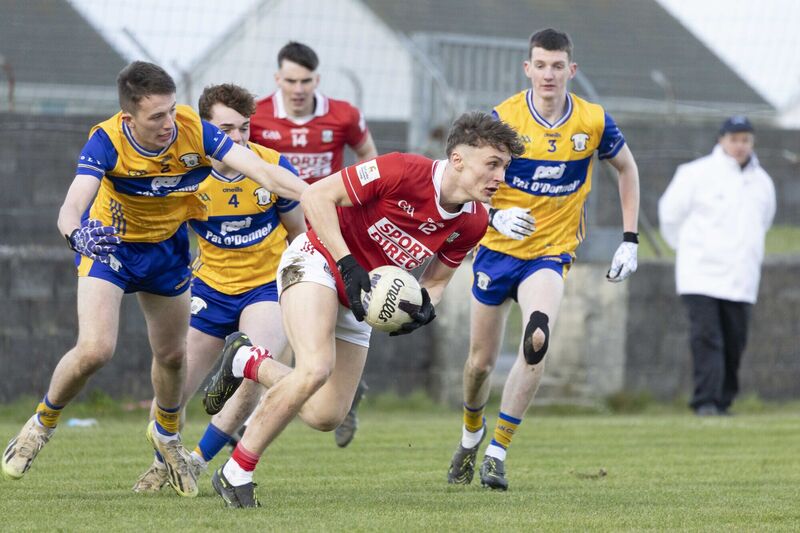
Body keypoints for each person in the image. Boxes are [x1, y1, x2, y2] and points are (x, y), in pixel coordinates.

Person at [0, 62, 306, 497]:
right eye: (156, 116)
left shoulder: (192, 130)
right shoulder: (106, 140)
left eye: (172, 110)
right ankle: (40, 425)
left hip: (165, 253)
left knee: (173, 358)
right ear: (130, 118)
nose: (169, 123)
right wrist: (77, 233)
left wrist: (318, 192)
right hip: (109, 247)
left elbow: (264, 172)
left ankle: (167, 438)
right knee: (95, 350)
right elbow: (70, 208)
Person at [201, 111, 525, 507]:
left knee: (325, 415)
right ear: (458, 159)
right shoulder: (402, 170)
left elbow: (436, 282)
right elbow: (316, 196)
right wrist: (346, 261)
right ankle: (237, 471)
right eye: (493, 164)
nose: (500, 177)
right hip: (317, 261)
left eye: (505, 167)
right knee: (315, 368)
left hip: (363, 301)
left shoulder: (473, 223)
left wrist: (422, 307)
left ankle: (247, 361)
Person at [447, 28, 641, 491]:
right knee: (479, 364)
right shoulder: (503, 119)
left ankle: (498, 451)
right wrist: (494, 215)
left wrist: (630, 238)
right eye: (541, 65)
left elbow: (627, 168)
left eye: (558, 66)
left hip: (549, 255)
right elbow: (465, 181)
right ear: (527, 69)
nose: (549, 74)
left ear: (571, 70)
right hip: (497, 252)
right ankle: (471, 433)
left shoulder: (593, 121)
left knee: (537, 340)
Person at [131, 83, 307, 492]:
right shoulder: (186, 174)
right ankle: (164, 460)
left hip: (264, 287)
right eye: (227, 129)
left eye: (244, 128)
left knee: (253, 372)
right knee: (175, 381)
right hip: (209, 290)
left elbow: (299, 234)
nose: (239, 138)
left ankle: (196, 461)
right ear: (206, 129)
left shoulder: (272, 166)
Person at [250, 41, 378, 447]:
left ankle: (262, 404)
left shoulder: (344, 115)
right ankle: (255, 414)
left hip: (331, 236)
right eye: (291, 80)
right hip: (276, 231)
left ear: (317, 80)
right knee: (285, 330)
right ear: (277, 80)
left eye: (306, 80)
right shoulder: (259, 116)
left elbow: (368, 160)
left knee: (301, 339)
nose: (299, 88)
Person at [658, 115, 775, 416]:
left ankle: (724, 401)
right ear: (721, 140)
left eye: (745, 140)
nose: (740, 146)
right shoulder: (695, 174)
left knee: (735, 340)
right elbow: (670, 215)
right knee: (707, 338)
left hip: (741, 275)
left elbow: (764, 220)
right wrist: (689, 249)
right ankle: (705, 401)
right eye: (734, 139)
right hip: (700, 273)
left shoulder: (762, 182)